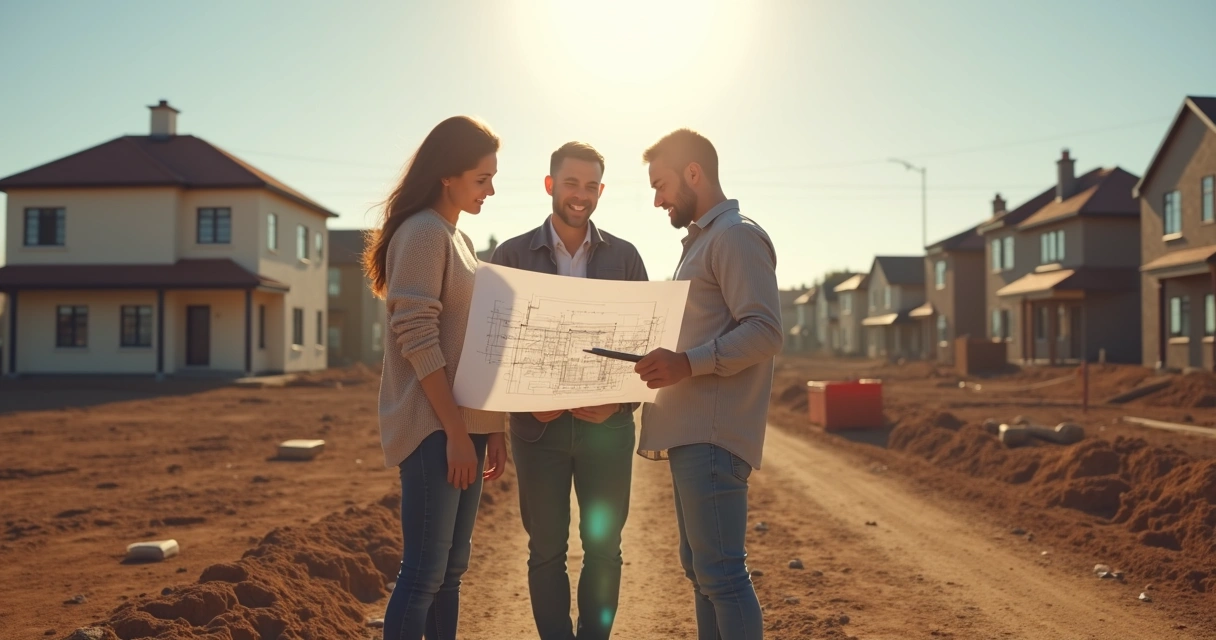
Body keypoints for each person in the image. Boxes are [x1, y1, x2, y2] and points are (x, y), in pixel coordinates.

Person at [489, 141, 649, 640]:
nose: (580, 195)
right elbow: (493, 351)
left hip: (609, 429)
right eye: (571, 183)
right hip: (540, 433)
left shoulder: (625, 257)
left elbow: (647, 349)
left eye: (590, 185)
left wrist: (620, 401)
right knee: (546, 549)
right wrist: (526, 406)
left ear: (601, 190)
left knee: (605, 547)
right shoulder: (510, 255)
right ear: (550, 185)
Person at [632, 129, 783, 640]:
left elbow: (764, 331)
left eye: (661, 185)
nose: (656, 199)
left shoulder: (735, 236)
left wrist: (685, 365)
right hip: (690, 433)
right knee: (702, 574)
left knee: (720, 575)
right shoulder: (704, 241)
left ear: (694, 172)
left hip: (713, 437)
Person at [363, 115, 509, 640]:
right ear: (447, 175)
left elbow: (475, 341)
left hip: (461, 429)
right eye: (481, 179)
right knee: (425, 572)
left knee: (450, 572)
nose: (491, 190)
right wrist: (453, 432)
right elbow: (418, 338)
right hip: (433, 430)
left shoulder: (459, 238)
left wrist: (490, 428)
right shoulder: (424, 232)